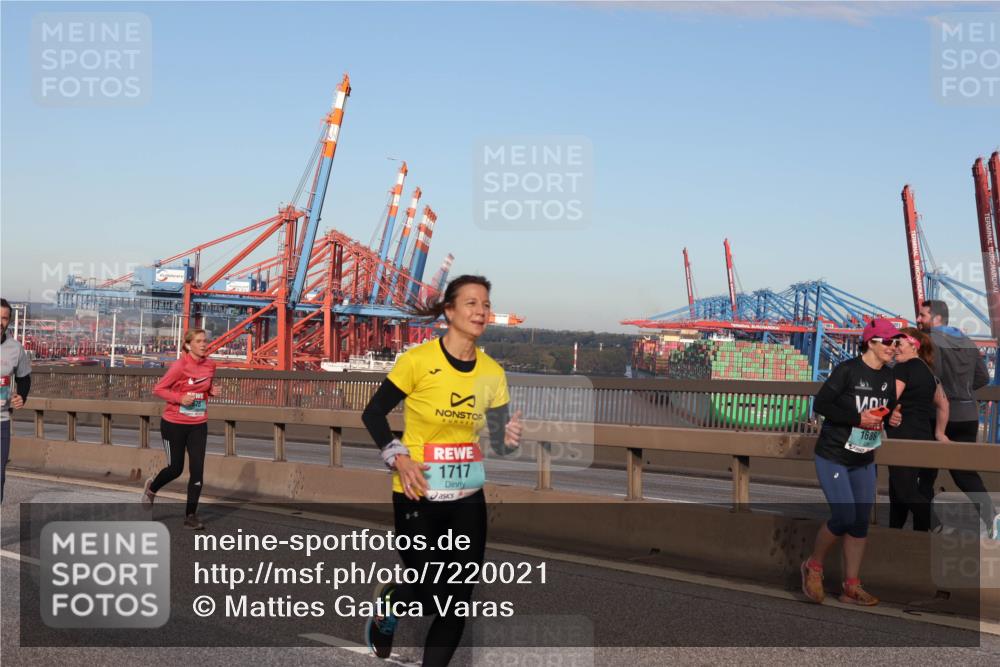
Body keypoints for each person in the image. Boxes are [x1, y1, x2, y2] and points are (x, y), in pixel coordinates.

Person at [361, 275, 522, 666]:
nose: (481, 311)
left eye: (486, 304)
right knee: (432, 590)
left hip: (467, 496)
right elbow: (373, 413)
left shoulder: (492, 374)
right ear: (449, 311)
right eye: (471, 303)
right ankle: (393, 602)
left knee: (458, 598)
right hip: (417, 491)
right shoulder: (418, 361)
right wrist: (398, 456)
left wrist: (509, 438)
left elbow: (500, 442)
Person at [801, 318, 900, 606]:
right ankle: (813, 566)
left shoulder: (889, 377)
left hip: (864, 457)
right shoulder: (847, 370)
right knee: (844, 516)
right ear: (871, 342)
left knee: (859, 522)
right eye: (888, 341)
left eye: (895, 342)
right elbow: (821, 404)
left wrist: (893, 418)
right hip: (834, 455)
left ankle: (851, 586)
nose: (893, 347)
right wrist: (857, 418)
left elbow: (884, 413)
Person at [916, 299, 1000, 539]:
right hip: (968, 415)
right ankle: (991, 519)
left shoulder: (930, 341)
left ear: (937, 318)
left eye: (923, 315)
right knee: (965, 473)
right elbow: (983, 377)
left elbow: (932, 376)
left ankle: (926, 527)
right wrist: (965, 392)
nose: (918, 319)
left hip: (939, 416)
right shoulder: (967, 340)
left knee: (925, 473)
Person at [143, 328, 216, 529]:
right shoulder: (180, 366)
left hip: (198, 424)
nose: (203, 344)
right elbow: (159, 389)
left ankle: (190, 516)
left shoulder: (210, 365)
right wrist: (179, 398)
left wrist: (211, 390)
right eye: (199, 341)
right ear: (188, 345)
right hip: (174, 423)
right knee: (175, 468)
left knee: (197, 470)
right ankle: (152, 489)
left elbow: (203, 387)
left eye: (205, 341)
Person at [884, 327, 949, 531]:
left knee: (903, 491)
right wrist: (940, 433)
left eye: (899, 343)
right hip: (924, 436)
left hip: (902, 436)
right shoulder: (930, 373)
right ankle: (908, 535)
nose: (895, 347)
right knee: (903, 489)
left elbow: (890, 399)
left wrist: (888, 414)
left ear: (914, 346)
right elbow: (944, 405)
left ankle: (938, 527)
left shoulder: (902, 369)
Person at [1, 298, 32, 503]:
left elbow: (24, 378)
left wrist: (22, 396)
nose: (0, 322)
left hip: (1, 422)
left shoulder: (16, 349)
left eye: (4, 318)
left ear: (9, 322)